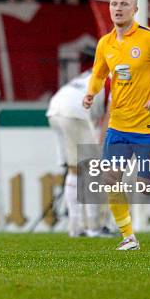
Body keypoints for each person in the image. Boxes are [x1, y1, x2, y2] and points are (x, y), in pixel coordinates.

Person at [83, 0, 150, 250]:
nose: (118, 8)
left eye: (124, 4)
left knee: (146, 186)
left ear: (135, 9)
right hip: (118, 124)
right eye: (114, 4)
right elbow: (98, 73)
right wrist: (91, 93)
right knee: (109, 177)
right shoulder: (105, 43)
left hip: (149, 125)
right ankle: (128, 237)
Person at [47, 68, 108, 237]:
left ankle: (75, 227)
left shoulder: (89, 75)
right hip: (75, 111)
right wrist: (101, 149)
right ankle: (93, 227)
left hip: (55, 109)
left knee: (74, 168)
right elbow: (108, 120)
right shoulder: (116, 81)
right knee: (92, 169)